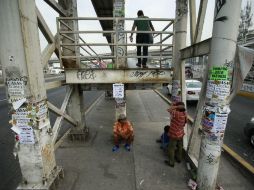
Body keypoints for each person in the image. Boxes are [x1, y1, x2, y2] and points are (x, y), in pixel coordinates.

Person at [165, 102, 187, 167]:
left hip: (174, 134)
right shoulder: (184, 114)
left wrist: (176, 107)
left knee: (171, 148)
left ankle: (171, 162)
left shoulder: (176, 114)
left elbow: (169, 110)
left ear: (178, 108)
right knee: (180, 146)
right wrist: (177, 106)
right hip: (181, 133)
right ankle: (179, 158)